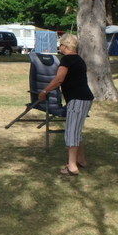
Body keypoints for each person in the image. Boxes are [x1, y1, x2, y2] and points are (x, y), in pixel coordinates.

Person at [37, 34, 95, 176]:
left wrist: (45, 91)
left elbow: (59, 79)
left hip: (77, 99)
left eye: (60, 44)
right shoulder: (79, 59)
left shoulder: (67, 59)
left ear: (65, 46)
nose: (59, 47)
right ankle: (81, 160)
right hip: (85, 98)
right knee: (76, 131)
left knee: (71, 133)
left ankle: (72, 167)